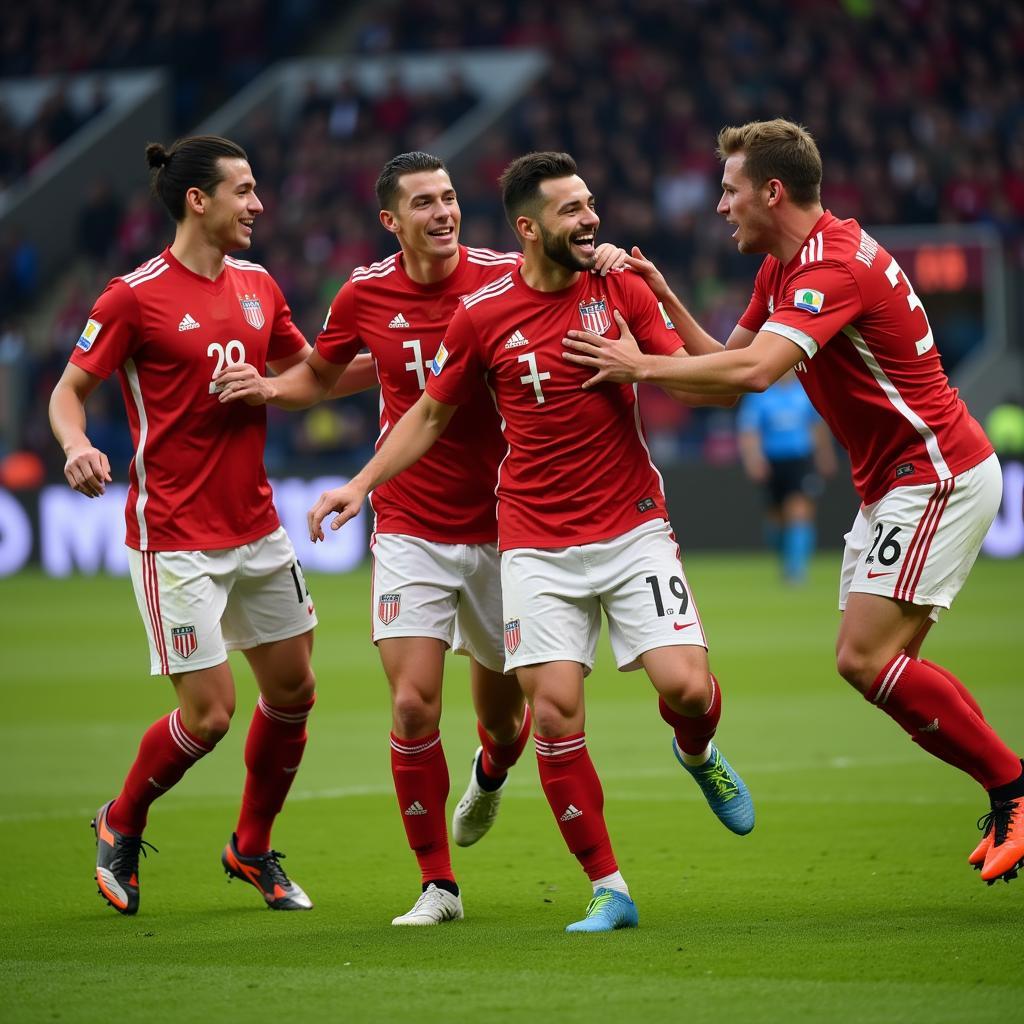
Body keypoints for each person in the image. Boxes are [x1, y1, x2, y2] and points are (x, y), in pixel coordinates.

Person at [562, 118, 1024, 885]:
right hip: (897, 483)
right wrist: (666, 300)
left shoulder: (830, 268)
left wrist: (634, 363)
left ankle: (1012, 787)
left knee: (864, 658)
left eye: (730, 190)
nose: (720, 206)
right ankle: (1005, 789)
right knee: (885, 664)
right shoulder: (786, 266)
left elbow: (751, 377)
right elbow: (724, 371)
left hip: (935, 473)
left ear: (771, 191)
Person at [306, 151, 755, 933]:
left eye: (591, 205)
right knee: (549, 717)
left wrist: (636, 359)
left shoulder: (617, 286)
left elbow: (696, 379)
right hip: (534, 542)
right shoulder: (482, 314)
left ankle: (696, 751)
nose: (591, 220)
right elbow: (431, 413)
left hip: (632, 526)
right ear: (529, 227)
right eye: (572, 210)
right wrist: (361, 483)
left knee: (685, 688)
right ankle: (609, 887)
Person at [216, 151, 626, 926]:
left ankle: (492, 771)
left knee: (507, 723)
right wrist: (273, 389)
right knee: (411, 706)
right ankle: (439, 885)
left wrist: (600, 255)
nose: (443, 212)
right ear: (390, 221)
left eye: (449, 198)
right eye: (425, 203)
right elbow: (324, 371)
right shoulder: (366, 293)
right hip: (410, 524)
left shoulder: (509, 275)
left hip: (513, 526)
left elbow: (587, 277)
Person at [49, 135, 326, 916]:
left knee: (296, 691)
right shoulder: (132, 296)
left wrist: (271, 385)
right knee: (210, 713)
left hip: (259, 529)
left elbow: (308, 376)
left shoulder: (260, 285)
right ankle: (122, 818)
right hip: (174, 535)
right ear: (198, 200)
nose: (258, 205)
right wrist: (76, 445)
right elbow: (68, 392)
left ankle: (251, 846)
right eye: (244, 190)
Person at [736, 368, 836, 583]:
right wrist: (754, 459)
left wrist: (824, 455)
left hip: (800, 459)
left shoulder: (805, 392)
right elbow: (750, 431)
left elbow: (818, 426)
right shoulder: (759, 395)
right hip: (773, 462)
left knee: (800, 512)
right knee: (776, 519)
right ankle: (784, 559)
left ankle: (796, 571)